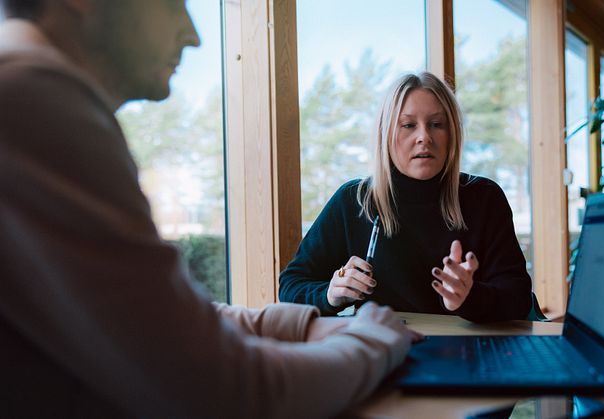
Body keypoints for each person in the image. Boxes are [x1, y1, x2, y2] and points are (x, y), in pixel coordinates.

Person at [0, 1, 419, 417]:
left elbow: (156, 319)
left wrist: (306, 327)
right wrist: (373, 340)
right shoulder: (34, 98)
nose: (194, 35)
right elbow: (226, 390)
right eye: (173, 4)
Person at [279, 72, 533, 323]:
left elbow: (518, 299)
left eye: (436, 124)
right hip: (382, 350)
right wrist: (330, 294)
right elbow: (291, 286)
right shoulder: (354, 200)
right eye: (408, 125)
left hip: (468, 353)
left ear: (452, 133)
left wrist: (469, 297)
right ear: (386, 135)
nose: (424, 137)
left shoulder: (484, 198)